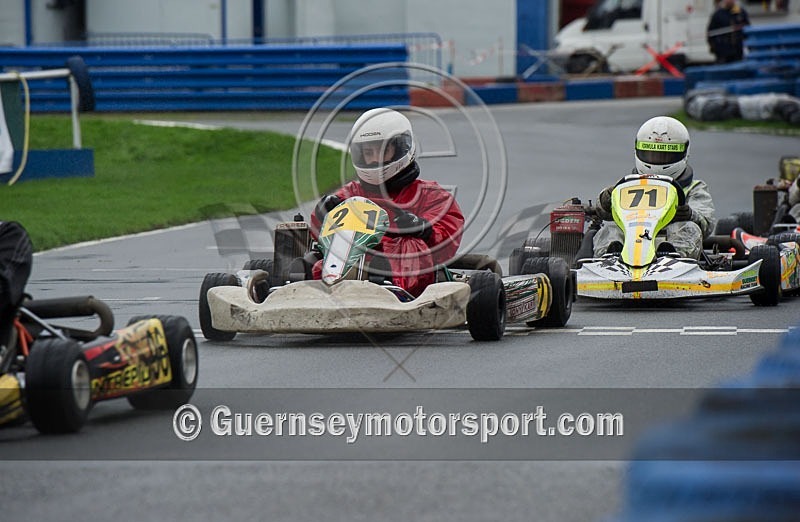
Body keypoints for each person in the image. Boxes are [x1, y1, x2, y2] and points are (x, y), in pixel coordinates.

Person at [310, 108, 464, 296]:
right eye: (368, 152)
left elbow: (447, 237)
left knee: (409, 242)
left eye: (383, 151)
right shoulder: (350, 193)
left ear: (401, 148)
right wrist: (323, 213)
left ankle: (385, 281)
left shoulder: (429, 194)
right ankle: (319, 283)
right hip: (352, 264)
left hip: (406, 277)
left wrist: (424, 228)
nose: (375, 159)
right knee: (318, 248)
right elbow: (320, 236)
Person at [593, 116, 717, 260]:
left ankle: (674, 257)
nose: (657, 161)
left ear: (684, 153)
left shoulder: (694, 188)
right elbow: (603, 212)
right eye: (652, 154)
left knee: (690, 229)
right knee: (609, 229)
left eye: (665, 155)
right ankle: (608, 260)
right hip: (632, 235)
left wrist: (690, 214)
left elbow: (706, 224)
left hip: (669, 238)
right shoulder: (628, 184)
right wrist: (606, 199)